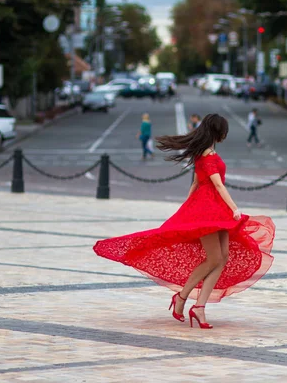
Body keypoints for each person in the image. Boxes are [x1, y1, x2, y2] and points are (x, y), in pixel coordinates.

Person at [93, 114, 275, 329]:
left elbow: (196, 184)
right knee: (214, 258)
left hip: (216, 210)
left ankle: (197, 306)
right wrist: (233, 208)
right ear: (217, 131)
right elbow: (217, 185)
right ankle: (183, 298)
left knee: (222, 258)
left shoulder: (204, 154)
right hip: (209, 212)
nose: (226, 134)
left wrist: (189, 207)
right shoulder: (207, 157)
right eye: (224, 130)